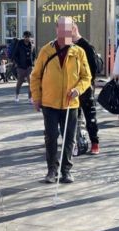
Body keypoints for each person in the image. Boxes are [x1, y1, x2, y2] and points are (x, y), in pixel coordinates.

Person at [30, 16, 92, 184]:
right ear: (56, 29)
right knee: (51, 137)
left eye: (68, 28)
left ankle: (66, 171)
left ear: (72, 30)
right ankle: (52, 170)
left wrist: (78, 90)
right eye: (61, 28)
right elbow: (35, 76)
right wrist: (36, 97)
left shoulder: (79, 52)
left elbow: (86, 77)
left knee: (69, 138)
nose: (64, 32)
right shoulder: (46, 50)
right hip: (49, 103)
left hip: (70, 103)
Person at [71, 22, 101, 155]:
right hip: (70, 88)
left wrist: (87, 82)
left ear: (73, 29)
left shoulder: (86, 46)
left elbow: (93, 68)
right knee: (73, 116)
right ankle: (74, 142)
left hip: (85, 87)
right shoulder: (66, 45)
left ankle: (95, 143)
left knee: (90, 115)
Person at [11, 31, 36, 102]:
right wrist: (18, 63)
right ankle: (17, 95)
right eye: (25, 37)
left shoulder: (32, 45)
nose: (27, 38)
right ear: (23, 37)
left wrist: (33, 63)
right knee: (20, 81)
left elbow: (33, 54)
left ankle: (30, 98)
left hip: (29, 66)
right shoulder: (19, 44)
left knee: (31, 82)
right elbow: (15, 55)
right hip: (21, 66)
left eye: (28, 37)